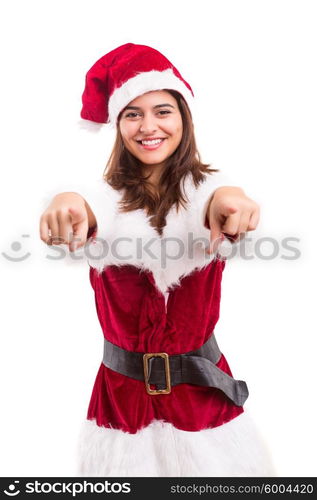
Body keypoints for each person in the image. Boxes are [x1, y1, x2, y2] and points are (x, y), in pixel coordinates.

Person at [39, 43, 276, 477]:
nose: (149, 125)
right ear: (118, 125)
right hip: (121, 406)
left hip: (204, 403)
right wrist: (65, 202)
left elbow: (216, 196)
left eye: (163, 111)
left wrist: (233, 200)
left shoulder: (208, 193)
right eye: (133, 113)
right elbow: (91, 205)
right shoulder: (103, 199)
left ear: (184, 118)